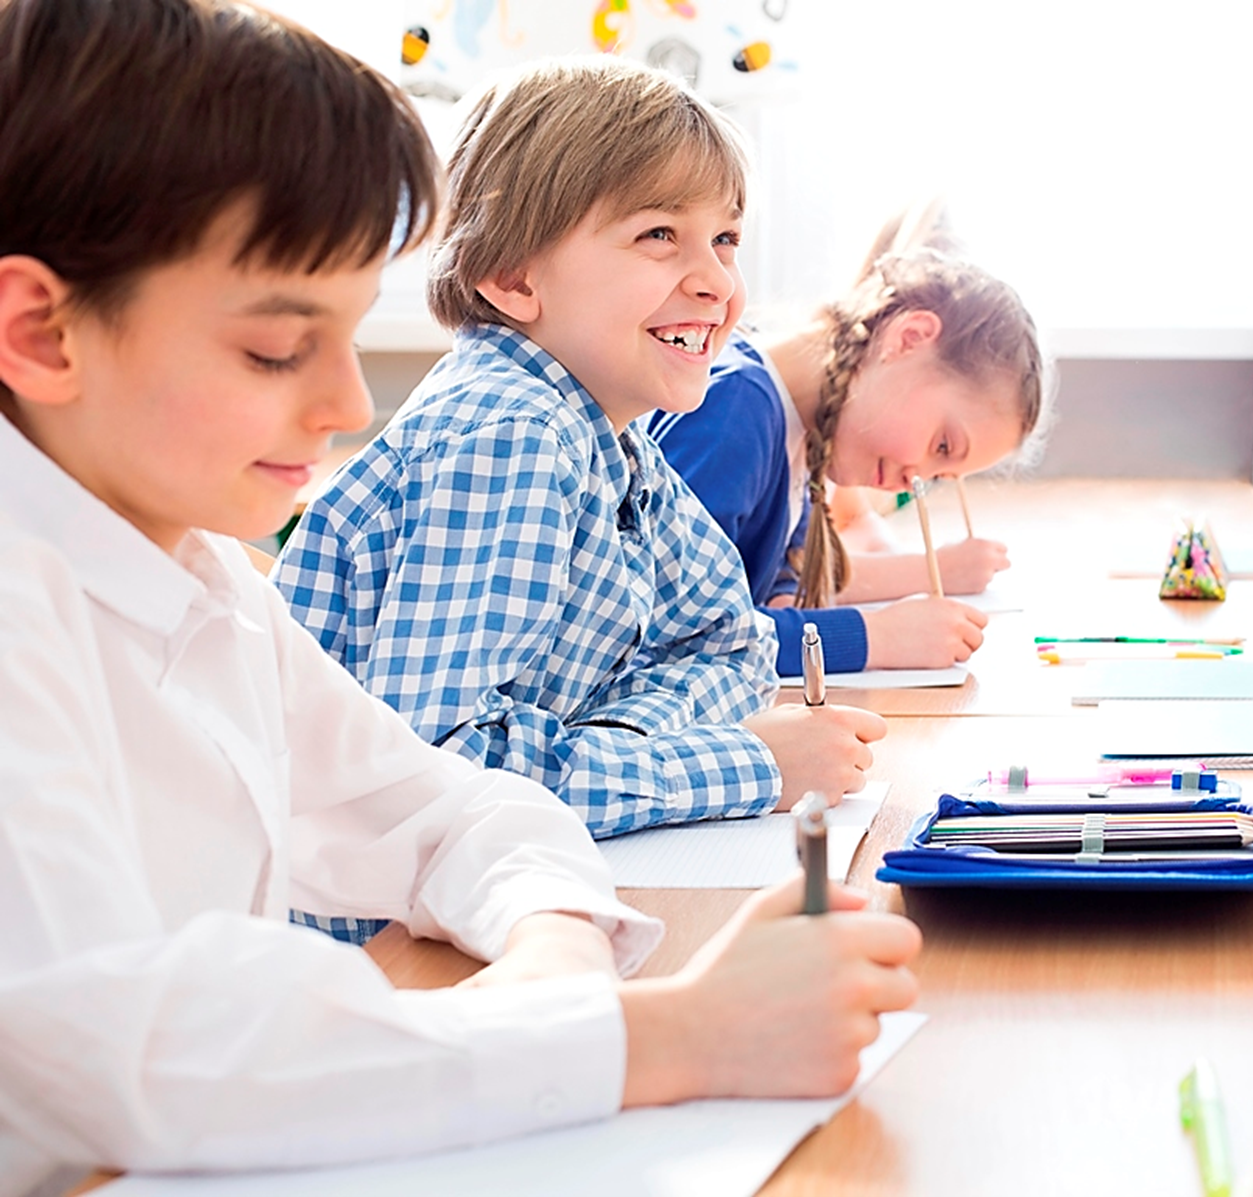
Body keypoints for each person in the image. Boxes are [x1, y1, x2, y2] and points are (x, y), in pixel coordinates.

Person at [0, 2, 919, 1190]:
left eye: (346, 334)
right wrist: (672, 1034)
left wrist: (553, 946)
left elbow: (441, 806)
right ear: (41, 332)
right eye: (280, 349)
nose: (347, 406)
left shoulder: (196, 570)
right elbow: (142, 1056)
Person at [273, 54, 886, 872]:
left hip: (479, 891)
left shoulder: (611, 431)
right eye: (658, 235)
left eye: (726, 238)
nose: (716, 282)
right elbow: (432, 782)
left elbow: (731, 645)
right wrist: (747, 765)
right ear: (512, 276)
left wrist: (605, 745)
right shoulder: (508, 435)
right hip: (376, 940)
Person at [648, 204, 1047, 677]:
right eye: (941, 446)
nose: (915, 479)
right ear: (910, 338)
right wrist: (875, 638)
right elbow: (680, 637)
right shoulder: (735, 411)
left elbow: (768, 594)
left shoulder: (801, 438)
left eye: (940, 475)